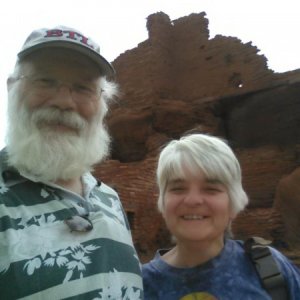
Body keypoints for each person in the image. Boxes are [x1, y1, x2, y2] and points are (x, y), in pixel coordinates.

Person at [0, 26, 143, 299]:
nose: (65, 101)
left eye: (82, 88)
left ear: (102, 103)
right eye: (45, 81)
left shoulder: (110, 198)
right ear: (12, 87)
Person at [142, 133, 300, 299]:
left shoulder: (269, 269)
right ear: (163, 202)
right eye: (178, 189)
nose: (193, 200)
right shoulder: (138, 286)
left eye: (211, 189)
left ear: (233, 203)